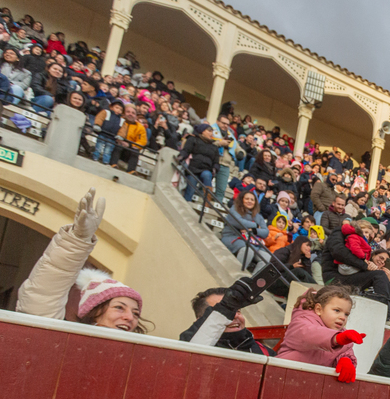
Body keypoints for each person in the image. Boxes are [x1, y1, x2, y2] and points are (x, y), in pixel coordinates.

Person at [16, 188, 148, 333]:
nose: (130, 317)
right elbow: (42, 295)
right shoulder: (63, 340)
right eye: (119, 307)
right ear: (93, 312)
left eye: (136, 313)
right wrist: (77, 240)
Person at [275, 285, 365, 383]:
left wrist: (346, 360)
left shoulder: (343, 335)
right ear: (319, 309)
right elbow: (309, 334)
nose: (343, 317)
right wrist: (336, 338)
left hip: (310, 384)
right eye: (337, 310)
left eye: (346, 314)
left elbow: (345, 351)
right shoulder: (302, 321)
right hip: (281, 375)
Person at [179, 277, 272, 355]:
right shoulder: (187, 348)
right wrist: (225, 308)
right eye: (219, 311)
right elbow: (188, 354)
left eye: (237, 310)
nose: (234, 316)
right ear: (199, 320)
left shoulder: (266, 354)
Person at [178, 123, 222, 202]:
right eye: (209, 131)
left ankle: (207, 200)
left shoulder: (214, 147)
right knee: (190, 189)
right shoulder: (193, 140)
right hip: (192, 169)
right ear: (202, 131)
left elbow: (216, 162)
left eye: (212, 131)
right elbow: (186, 151)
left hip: (206, 169)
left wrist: (215, 168)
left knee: (207, 175)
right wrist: (180, 157)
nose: (211, 133)